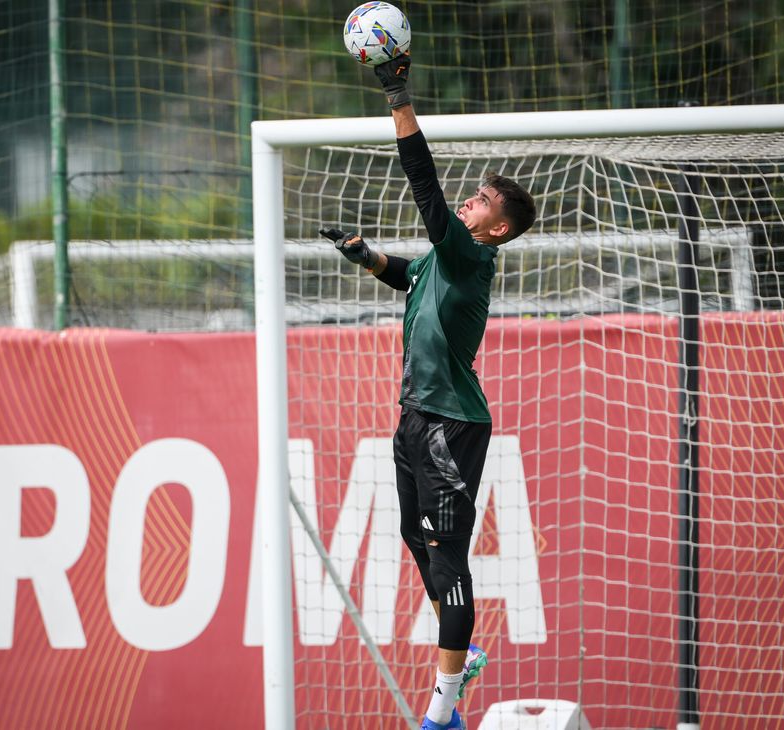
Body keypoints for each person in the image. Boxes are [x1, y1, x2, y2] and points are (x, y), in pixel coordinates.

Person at [320, 52, 536, 730]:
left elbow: (425, 186)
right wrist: (366, 256)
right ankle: (460, 647)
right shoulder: (443, 262)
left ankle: (444, 714)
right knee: (419, 544)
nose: (469, 203)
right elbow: (406, 275)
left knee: (448, 559)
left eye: (481, 203)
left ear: (496, 228)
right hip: (415, 419)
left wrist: (397, 94)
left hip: (452, 424)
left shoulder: (473, 254)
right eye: (472, 197)